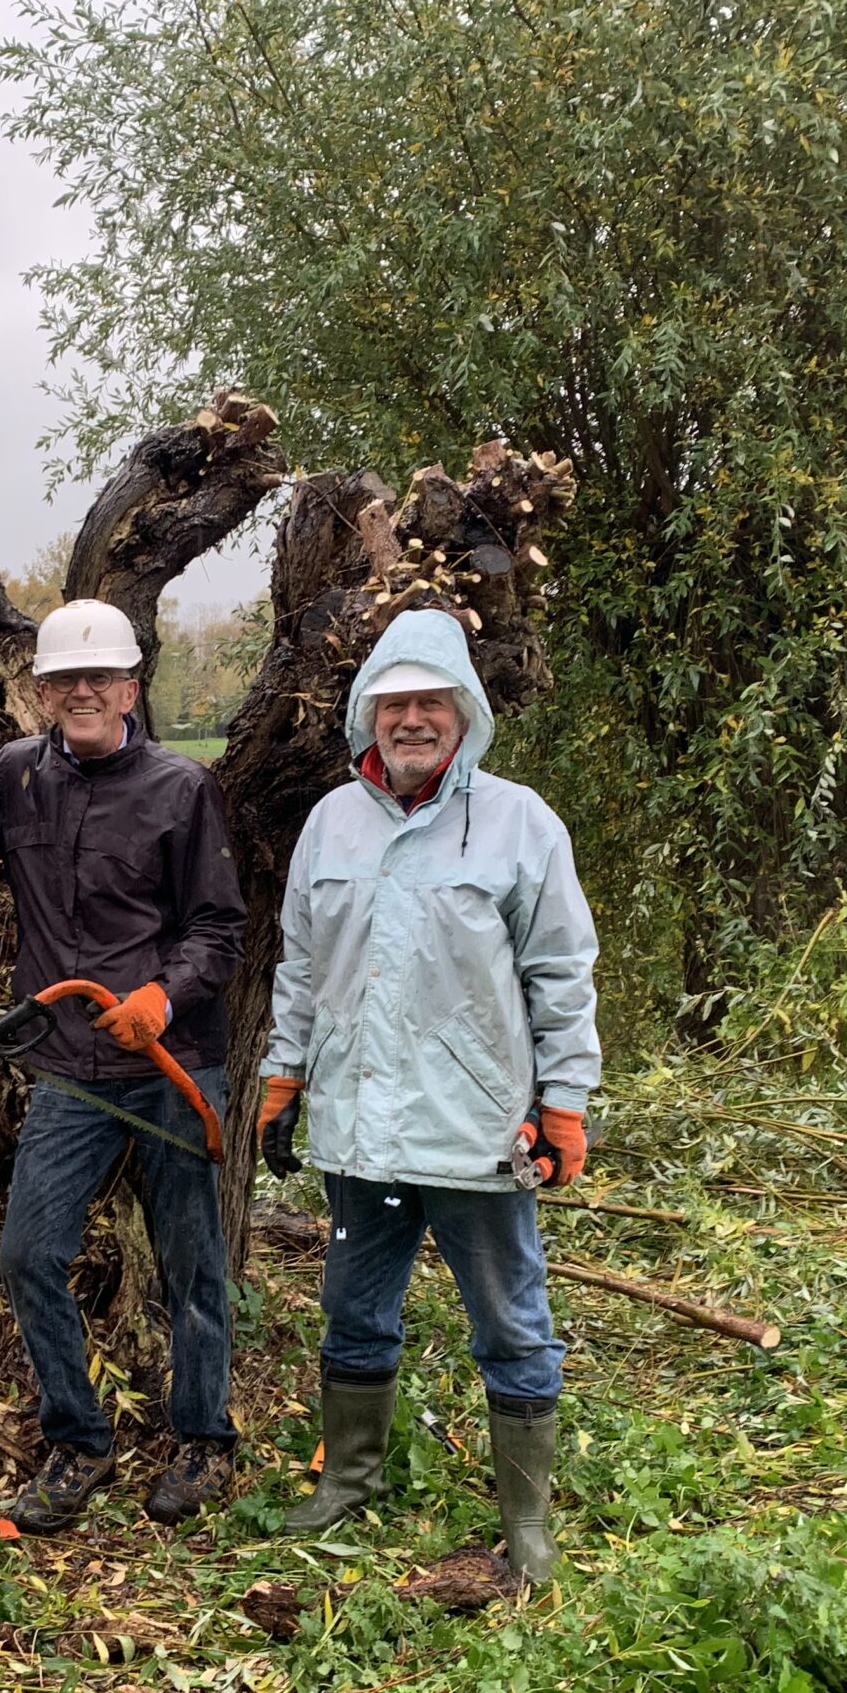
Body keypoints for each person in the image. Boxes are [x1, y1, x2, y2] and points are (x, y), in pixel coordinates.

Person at [0, 598, 246, 1533]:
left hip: (170, 1062)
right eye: (64, 680)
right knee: (29, 1252)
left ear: (131, 686)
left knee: (192, 1262)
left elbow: (219, 929)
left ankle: (203, 1439)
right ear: (41, 691)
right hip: (70, 1069)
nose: (83, 692)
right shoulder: (17, 778)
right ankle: (78, 1443)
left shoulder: (181, 788)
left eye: (101, 678)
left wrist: (162, 997)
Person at [257, 607, 600, 1581]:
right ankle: (346, 1482)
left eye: (429, 702)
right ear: (369, 714)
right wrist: (284, 1077)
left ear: (464, 712)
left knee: (511, 1324)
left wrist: (564, 1105)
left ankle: (526, 1528)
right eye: (394, 702)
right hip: (360, 1133)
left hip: (479, 1134)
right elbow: (299, 968)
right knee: (354, 1311)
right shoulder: (329, 823)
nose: (411, 719)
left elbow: (561, 973)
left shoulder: (518, 823)